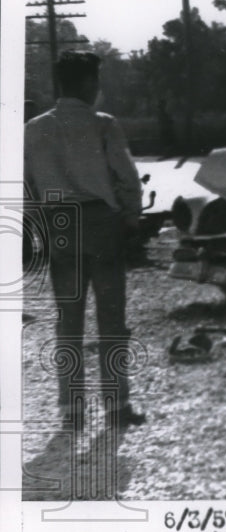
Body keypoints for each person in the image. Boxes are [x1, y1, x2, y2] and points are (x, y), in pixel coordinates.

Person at [24, 51, 147, 431]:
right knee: (111, 320)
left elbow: (24, 184)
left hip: (57, 223)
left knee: (68, 321)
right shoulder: (104, 125)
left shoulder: (33, 128)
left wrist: (38, 222)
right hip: (100, 222)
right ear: (90, 83)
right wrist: (131, 217)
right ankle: (117, 405)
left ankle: (71, 411)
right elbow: (126, 176)